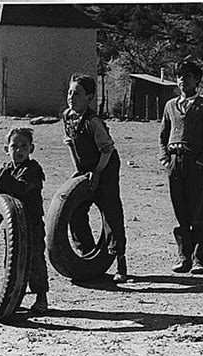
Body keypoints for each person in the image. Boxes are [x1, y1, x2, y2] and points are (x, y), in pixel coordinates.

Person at [62, 73, 128, 283]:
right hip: (87, 167)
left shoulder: (94, 121)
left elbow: (107, 150)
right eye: (70, 92)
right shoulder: (67, 116)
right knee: (75, 210)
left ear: (89, 98)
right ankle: (89, 255)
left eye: (78, 93)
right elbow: (72, 144)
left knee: (110, 211)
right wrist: (80, 172)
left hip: (105, 166)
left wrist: (97, 173)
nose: (72, 97)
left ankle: (120, 262)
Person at [159, 60, 203, 274]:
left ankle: (199, 259)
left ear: (197, 80)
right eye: (179, 76)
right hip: (175, 163)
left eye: (187, 76)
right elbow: (163, 135)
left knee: (197, 211)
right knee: (180, 211)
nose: (182, 80)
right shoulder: (170, 106)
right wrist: (166, 159)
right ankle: (183, 257)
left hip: (195, 163)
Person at [0, 127, 49, 313]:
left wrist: (2, 177)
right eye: (14, 146)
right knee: (12, 261)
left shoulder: (33, 169)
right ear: (7, 149)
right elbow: (0, 197)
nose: (19, 150)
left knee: (35, 258)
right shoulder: (7, 169)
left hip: (32, 223)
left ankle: (41, 297)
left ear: (31, 149)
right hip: (12, 225)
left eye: (24, 146)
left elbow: (21, 189)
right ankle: (14, 297)